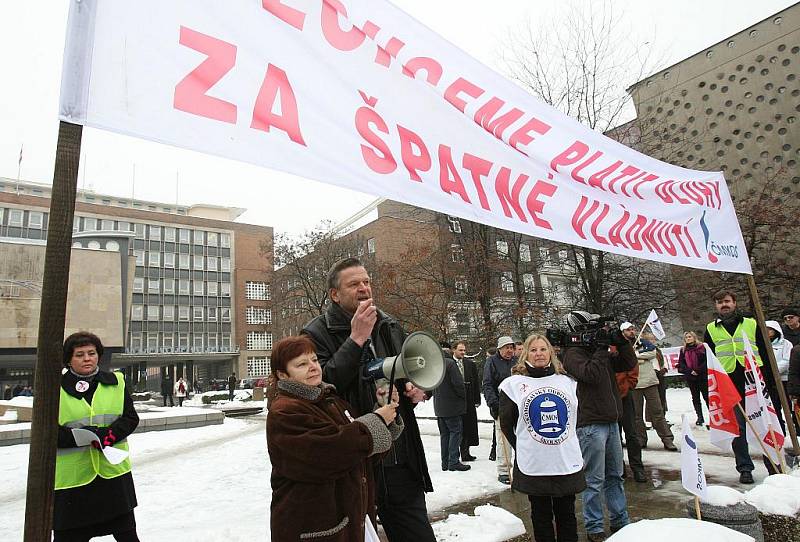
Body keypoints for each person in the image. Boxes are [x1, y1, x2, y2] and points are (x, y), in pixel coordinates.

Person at [302, 258, 436, 541]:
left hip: (399, 454)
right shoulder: (315, 333)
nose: (363, 288)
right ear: (334, 294)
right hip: (357, 458)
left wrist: (419, 389)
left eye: (366, 282)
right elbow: (322, 386)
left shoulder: (388, 323)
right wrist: (356, 339)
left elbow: (411, 367)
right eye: (354, 284)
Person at [267, 336, 402, 541]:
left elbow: (361, 452)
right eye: (301, 364)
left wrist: (385, 415)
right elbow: (329, 454)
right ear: (283, 375)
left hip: (350, 523)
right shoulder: (285, 411)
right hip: (315, 526)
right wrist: (376, 420)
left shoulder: (330, 400)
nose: (313, 367)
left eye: (314, 360)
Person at [499, 334, 585, 542]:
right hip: (535, 462)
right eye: (534, 350)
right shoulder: (513, 385)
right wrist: (525, 446)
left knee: (567, 514)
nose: (539, 354)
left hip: (564, 460)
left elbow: (577, 417)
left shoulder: (567, 382)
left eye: (543, 349)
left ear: (551, 352)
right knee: (541, 515)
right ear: (526, 353)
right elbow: (506, 423)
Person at [55, 332, 140, 541]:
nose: (87, 358)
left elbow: (130, 418)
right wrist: (80, 437)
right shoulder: (55, 387)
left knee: (127, 535)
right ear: (68, 359)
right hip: (74, 482)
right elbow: (48, 432)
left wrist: (106, 436)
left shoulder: (116, 382)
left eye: (92, 353)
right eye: (80, 354)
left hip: (112, 476)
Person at [561, 311, 636, 542]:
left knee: (615, 476)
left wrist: (621, 342)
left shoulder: (598, 351)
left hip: (611, 421)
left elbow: (627, 363)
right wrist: (602, 349)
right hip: (591, 425)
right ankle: (594, 527)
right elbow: (591, 374)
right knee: (594, 480)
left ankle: (620, 521)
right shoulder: (572, 354)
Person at [703, 289, 774, 484]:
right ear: (716, 306)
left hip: (755, 381)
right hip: (729, 384)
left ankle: (773, 464)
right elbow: (709, 358)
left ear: (734, 302)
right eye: (719, 302)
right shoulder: (710, 329)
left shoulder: (751, 323)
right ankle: (745, 468)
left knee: (764, 423)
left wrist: (769, 381)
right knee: (738, 429)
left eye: (727, 301)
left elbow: (765, 353)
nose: (723, 305)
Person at [624, 323, 677, 451]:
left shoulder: (643, 342)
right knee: (636, 415)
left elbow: (652, 353)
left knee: (657, 411)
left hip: (650, 381)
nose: (632, 332)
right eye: (628, 330)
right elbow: (623, 358)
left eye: (633, 329)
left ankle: (667, 439)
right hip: (634, 383)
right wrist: (638, 357)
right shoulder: (622, 345)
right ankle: (641, 439)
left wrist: (635, 356)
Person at [482, 336, 517, 484]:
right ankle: (504, 470)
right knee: (503, 441)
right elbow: (487, 384)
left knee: (519, 438)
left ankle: (520, 468)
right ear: (500, 349)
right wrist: (493, 404)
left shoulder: (517, 361)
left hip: (517, 405)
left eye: (511, 347)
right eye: (506, 347)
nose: (509, 350)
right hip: (501, 406)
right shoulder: (491, 362)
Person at [614, 335, 645, 483]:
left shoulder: (620, 344)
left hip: (625, 397)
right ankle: (620, 468)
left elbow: (632, 365)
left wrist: (629, 385)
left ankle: (638, 468)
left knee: (631, 434)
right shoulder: (599, 346)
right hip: (609, 399)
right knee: (615, 436)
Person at [434, 343, 468, 472]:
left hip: (439, 407)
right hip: (452, 407)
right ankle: (453, 462)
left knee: (444, 435)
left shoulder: (435, 365)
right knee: (455, 433)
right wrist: (463, 397)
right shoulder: (450, 364)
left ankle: (445, 463)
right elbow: (458, 384)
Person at [454, 341, 480, 462]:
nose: (463, 352)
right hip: (456, 400)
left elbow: (475, 382)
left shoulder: (470, 364)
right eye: (460, 350)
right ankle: (456, 453)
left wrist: (477, 399)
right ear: (454, 350)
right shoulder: (450, 364)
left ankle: (466, 452)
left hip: (469, 400)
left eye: (464, 350)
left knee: (469, 426)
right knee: (459, 427)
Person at [766, 320, 793, 432]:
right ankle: (779, 430)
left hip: (784, 379)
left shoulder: (786, 344)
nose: (767, 332)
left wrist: (774, 369)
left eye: (769, 330)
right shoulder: (763, 344)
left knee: (789, 406)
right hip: (770, 381)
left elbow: (788, 360)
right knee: (775, 407)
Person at [677, 331, 709, 426]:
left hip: (702, 375)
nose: (688, 338)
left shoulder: (702, 348)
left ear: (694, 337)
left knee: (707, 397)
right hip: (691, 377)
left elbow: (706, 361)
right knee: (695, 398)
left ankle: (712, 417)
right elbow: (681, 363)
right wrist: (690, 371)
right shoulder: (683, 350)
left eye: (690, 336)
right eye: (686, 337)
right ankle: (700, 417)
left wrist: (698, 370)